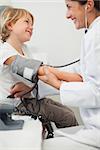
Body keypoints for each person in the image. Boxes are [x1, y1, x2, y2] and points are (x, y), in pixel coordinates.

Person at [0, 6, 78, 133]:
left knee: (69, 112)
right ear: (10, 25)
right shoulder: (4, 51)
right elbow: (28, 67)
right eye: (26, 22)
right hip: (17, 105)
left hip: (32, 99)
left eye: (32, 24)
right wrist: (71, 77)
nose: (31, 27)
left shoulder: (25, 49)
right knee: (67, 117)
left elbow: (37, 73)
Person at [38, 0, 100, 149]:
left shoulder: (97, 36)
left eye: (69, 7)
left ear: (89, 5)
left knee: (43, 146)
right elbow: (82, 73)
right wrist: (41, 78)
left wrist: (58, 84)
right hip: (93, 127)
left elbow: (97, 91)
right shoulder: (92, 32)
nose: (67, 15)